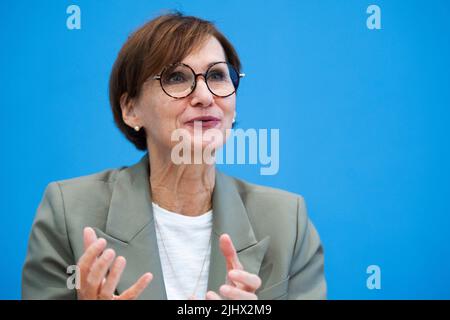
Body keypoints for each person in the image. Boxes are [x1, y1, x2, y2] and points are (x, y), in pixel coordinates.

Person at [22, 12, 326, 300]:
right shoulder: (68, 211)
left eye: (217, 75)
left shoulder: (288, 221)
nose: (206, 96)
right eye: (177, 78)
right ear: (131, 110)